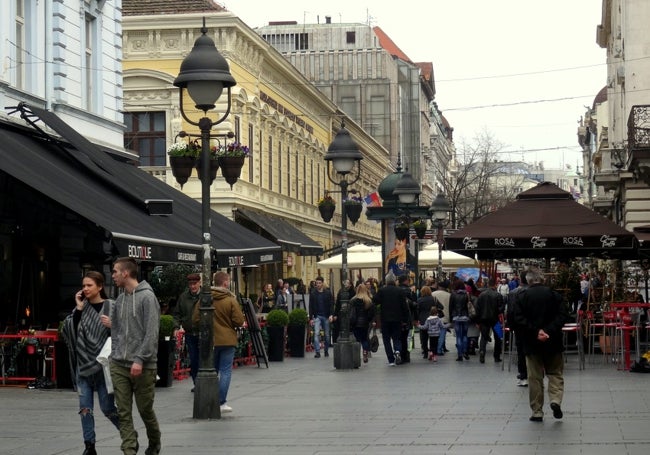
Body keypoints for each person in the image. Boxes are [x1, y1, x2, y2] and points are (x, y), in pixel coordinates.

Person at [103, 257, 161, 455]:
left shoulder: (147, 298)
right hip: (119, 364)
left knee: (145, 410)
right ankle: (129, 449)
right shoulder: (120, 299)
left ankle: (154, 443)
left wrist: (139, 359)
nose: (113, 276)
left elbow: (152, 333)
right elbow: (117, 332)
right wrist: (114, 355)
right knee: (123, 411)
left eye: (115, 272)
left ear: (125, 273)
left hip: (144, 365)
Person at [62, 271, 119, 455]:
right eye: (83, 285)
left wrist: (113, 325)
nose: (85, 289)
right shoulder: (80, 308)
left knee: (108, 408)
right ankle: (89, 445)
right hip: (83, 366)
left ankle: (128, 434)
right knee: (85, 408)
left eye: (89, 285)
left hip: (104, 366)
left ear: (100, 287)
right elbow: (69, 332)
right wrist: (78, 309)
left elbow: (125, 332)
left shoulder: (111, 306)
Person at [512, 268, 568, 422]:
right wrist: (548, 330)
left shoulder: (521, 297)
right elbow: (563, 315)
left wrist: (536, 332)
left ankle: (537, 411)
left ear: (528, 281)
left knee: (534, 377)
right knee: (555, 373)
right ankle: (555, 400)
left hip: (531, 343)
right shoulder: (554, 295)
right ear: (542, 279)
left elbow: (517, 318)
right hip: (553, 341)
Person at [193, 271, 245, 413]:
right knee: (226, 371)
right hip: (228, 340)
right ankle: (221, 402)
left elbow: (195, 319)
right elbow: (239, 320)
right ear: (225, 283)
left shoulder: (205, 298)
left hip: (210, 341)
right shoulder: (230, 300)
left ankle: (210, 399)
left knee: (212, 370)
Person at [372, 271, 410, 366]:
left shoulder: (382, 290)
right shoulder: (400, 291)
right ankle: (397, 351)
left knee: (386, 339)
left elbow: (375, 301)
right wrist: (405, 319)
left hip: (385, 319)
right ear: (394, 281)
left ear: (386, 281)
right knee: (397, 337)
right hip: (397, 319)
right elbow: (404, 307)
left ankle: (391, 360)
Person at [172, 273, 201, 387]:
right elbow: (177, 314)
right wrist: (176, 327)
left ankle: (202, 383)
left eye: (195, 284)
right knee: (194, 359)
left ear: (199, 283)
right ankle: (196, 383)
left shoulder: (206, 295)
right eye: (190, 284)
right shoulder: (184, 297)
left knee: (203, 360)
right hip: (190, 333)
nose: (193, 286)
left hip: (203, 333)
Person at [507, 271, 529, 387]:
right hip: (533, 326)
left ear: (520, 279)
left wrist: (511, 326)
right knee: (534, 351)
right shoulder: (533, 292)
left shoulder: (513, 293)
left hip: (519, 327)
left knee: (521, 351)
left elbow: (510, 311)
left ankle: (523, 375)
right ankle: (535, 375)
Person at [476, 278, 505, 364]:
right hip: (495, 320)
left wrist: (478, 320)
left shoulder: (481, 295)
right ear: (495, 285)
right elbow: (501, 309)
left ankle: (482, 351)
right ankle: (496, 356)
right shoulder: (498, 295)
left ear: (488, 284)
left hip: (484, 319)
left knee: (484, 337)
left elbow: (478, 308)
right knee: (498, 338)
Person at [349, 283, 376, 363]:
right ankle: (365, 352)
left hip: (355, 323)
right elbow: (371, 313)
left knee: (357, 340)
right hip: (365, 323)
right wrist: (369, 320)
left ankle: (356, 355)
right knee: (364, 339)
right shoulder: (368, 300)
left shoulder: (353, 300)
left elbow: (350, 313)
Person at [309, 276, 334, 358]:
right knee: (316, 334)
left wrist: (331, 315)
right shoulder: (313, 293)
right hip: (317, 316)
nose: (318, 285)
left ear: (322, 283)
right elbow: (311, 306)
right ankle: (317, 352)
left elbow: (331, 304)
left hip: (326, 316)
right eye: (317, 283)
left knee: (327, 335)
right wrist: (311, 318)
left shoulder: (327, 293)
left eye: (319, 283)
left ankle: (326, 350)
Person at [449, 279, 472, 361]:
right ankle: (465, 351)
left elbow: (450, 306)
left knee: (458, 336)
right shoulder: (467, 294)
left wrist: (450, 318)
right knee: (465, 335)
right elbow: (469, 306)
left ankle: (460, 355)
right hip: (465, 316)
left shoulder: (453, 294)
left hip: (456, 316)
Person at [415, 286, 442, 359]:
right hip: (433, 318)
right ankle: (432, 351)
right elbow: (441, 307)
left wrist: (417, 319)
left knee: (424, 338)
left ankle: (425, 352)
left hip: (423, 319)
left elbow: (417, 310)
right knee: (432, 338)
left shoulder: (419, 300)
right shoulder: (433, 299)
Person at [397, 274, 416, 363]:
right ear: (405, 281)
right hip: (407, 317)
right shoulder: (408, 291)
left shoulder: (397, 290)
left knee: (398, 337)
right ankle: (405, 355)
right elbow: (413, 304)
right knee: (405, 337)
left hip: (397, 317)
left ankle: (399, 354)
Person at [432, 282, 451, 355]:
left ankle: (435, 348)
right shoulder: (449, 295)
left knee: (435, 335)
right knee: (442, 334)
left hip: (435, 317)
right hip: (445, 317)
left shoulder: (433, 294)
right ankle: (439, 349)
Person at [332, 279, 354, 343]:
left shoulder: (353, 292)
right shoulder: (341, 291)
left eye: (347, 283)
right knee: (339, 327)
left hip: (350, 314)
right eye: (344, 283)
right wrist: (335, 314)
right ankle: (337, 340)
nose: (345, 284)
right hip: (341, 313)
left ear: (350, 284)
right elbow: (337, 304)